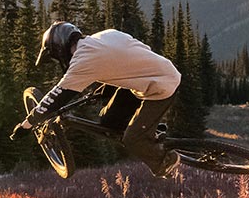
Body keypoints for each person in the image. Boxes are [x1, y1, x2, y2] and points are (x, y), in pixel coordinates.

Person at [16, 21, 182, 177]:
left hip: (161, 86)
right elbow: (128, 57)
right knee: (108, 123)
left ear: (60, 49)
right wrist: (105, 89)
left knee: (132, 139)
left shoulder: (83, 61)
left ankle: (164, 162)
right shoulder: (105, 35)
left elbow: (54, 100)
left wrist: (27, 124)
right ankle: (147, 128)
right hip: (152, 77)